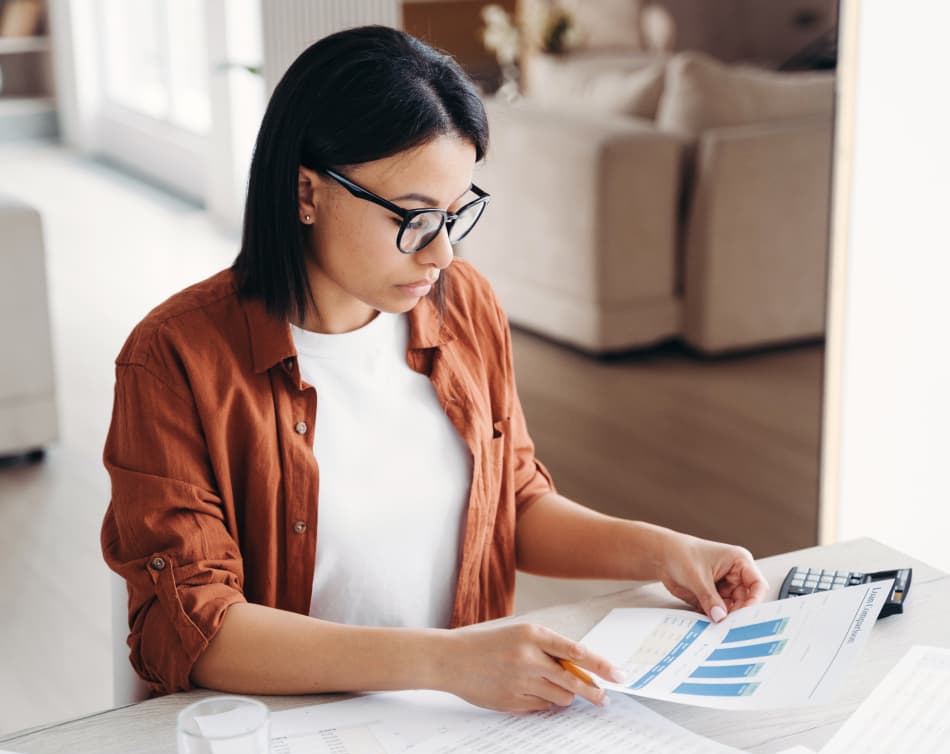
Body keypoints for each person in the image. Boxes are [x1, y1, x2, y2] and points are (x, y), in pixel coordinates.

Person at [102, 25, 767, 712]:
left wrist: (666, 551)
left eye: (455, 215)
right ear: (306, 193)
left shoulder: (463, 306)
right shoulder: (173, 358)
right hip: (290, 740)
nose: (442, 253)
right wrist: (444, 662)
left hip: (454, 728)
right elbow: (191, 631)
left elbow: (513, 504)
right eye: (414, 218)